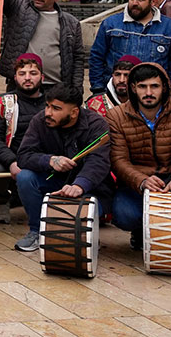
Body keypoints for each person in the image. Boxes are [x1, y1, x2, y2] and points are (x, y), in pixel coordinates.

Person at [11, 84, 113, 252]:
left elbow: (98, 162)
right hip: (54, 182)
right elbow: (23, 155)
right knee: (25, 177)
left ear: (74, 112)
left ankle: (86, 233)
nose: (48, 113)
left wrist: (80, 185)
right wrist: (49, 160)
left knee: (73, 238)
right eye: (47, 106)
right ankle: (36, 231)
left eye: (56, 108)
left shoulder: (96, 124)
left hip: (89, 190)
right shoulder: (40, 121)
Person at [106, 63, 171, 250]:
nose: (148, 92)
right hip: (138, 182)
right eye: (142, 86)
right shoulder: (116, 116)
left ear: (164, 87)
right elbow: (118, 160)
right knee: (124, 215)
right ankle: (141, 231)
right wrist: (142, 181)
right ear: (133, 88)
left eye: (154, 86)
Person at [90, 0, 171, 98]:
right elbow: (96, 57)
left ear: (153, 1)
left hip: (153, 96)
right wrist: (98, 89)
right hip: (116, 95)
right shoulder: (110, 24)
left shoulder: (170, 28)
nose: (134, 3)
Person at [0, 54, 48, 224]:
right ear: (15, 78)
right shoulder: (2, 103)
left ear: (42, 77)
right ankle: (1, 200)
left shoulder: (53, 103)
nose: (27, 78)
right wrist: (12, 162)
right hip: (12, 162)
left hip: (43, 161)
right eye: (22, 73)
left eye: (33, 73)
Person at [0, 0, 86, 90]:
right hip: (21, 87)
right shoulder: (19, 8)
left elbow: (77, 58)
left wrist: (77, 90)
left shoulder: (71, 23)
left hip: (56, 89)